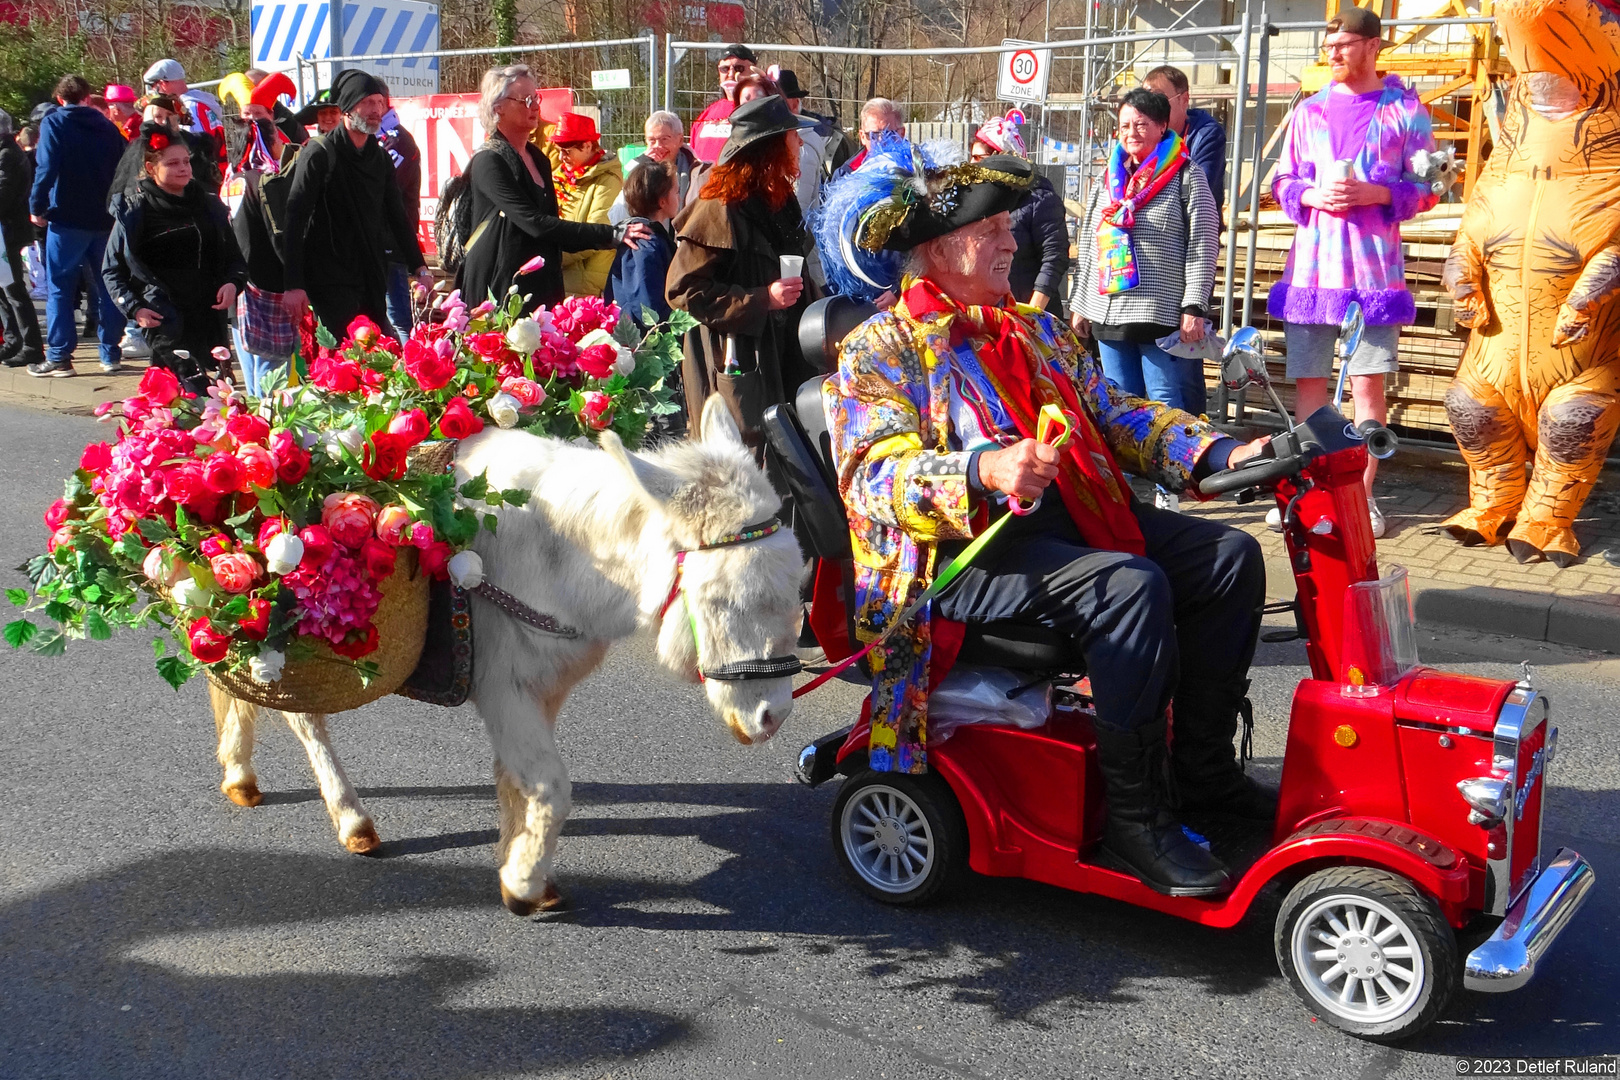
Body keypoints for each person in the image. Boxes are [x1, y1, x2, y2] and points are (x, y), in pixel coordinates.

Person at [816, 139, 1273, 897]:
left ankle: (1204, 776)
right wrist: (981, 468)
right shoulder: (878, 348)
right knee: (1128, 589)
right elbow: (871, 479)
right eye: (993, 229)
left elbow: (1115, 414)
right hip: (954, 561)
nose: (1010, 240)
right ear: (936, 249)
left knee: (1228, 559)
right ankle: (1136, 820)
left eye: (1008, 226)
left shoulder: (1031, 328)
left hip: (1061, 523)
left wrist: (1221, 453)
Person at [1268, 7, 1437, 538]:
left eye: (1343, 43)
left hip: (1373, 276)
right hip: (1313, 274)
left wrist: (1380, 193)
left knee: (1367, 387)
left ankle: (1360, 501)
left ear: (1372, 46)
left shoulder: (1406, 112)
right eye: (1328, 43)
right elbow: (1283, 182)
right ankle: (1310, 495)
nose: (1333, 53)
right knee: (1310, 387)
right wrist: (1309, 194)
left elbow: (1430, 185)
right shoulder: (1309, 113)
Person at [1070, 87, 1220, 515]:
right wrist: (1081, 302)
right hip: (1109, 311)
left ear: (1160, 127)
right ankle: (1127, 493)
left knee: (1163, 404)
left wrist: (1194, 305)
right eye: (1123, 126)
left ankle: (1168, 488)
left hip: (1160, 310)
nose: (1131, 132)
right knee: (1118, 404)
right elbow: (1089, 241)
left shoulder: (1185, 176)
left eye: (1140, 125)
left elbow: (1203, 243)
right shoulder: (1108, 179)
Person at [667, 94, 819, 468]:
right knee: (744, 457)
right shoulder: (717, 205)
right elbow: (683, 291)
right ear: (770, 149)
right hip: (735, 354)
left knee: (790, 450)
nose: (799, 143)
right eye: (792, 137)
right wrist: (761, 298)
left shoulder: (778, 198)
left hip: (782, 348)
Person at [458, 65, 650, 310]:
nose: (535, 106)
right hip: (500, 287)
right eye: (525, 100)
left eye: (536, 98)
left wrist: (613, 236)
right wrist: (609, 234)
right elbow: (533, 223)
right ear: (498, 109)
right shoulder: (488, 161)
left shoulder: (539, 158)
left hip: (542, 283)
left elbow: (553, 230)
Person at [280, 69, 430, 338]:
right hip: (331, 278)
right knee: (345, 361)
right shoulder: (319, 153)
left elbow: (397, 216)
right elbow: (295, 217)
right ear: (348, 108)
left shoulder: (380, 158)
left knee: (378, 358)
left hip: (371, 275)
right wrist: (293, 284)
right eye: (368, 103)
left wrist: (419, 266)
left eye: (379, 103)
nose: (376, 110)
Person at [103, 123, 247, 393]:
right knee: (186, 394)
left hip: (208, 317)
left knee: (217, 399)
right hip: (165, 320)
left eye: (186, 161)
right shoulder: (135, 212)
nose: (183, 168)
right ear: (150, 169)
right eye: (172, 163)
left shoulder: (208, 205)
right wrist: (135, 308)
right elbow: (112, 270)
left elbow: (234, 259)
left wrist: (232, 283)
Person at [26, 74, 129, 377]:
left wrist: (37, 205)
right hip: (104, 216)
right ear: (87, 97)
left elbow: (46, 166)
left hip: (67, 215)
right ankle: (110, 353)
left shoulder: (54, 122)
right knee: (108, 284)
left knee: (60, 286)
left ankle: (60, 356)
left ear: (60, 99)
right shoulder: (108, 127)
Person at [970, 116, 1068, 314]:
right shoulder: (977, 200)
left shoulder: (1040, 199)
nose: (971, 164)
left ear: (1001, 157)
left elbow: (1054, 257)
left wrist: (1032, 310)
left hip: (1030, 313)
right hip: (989, 312)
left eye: (978, 158)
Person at [551, 112, 621, 298]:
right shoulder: (558, 177)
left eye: (567, 151)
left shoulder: (608, 181)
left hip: (586, 285)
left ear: (588, 146)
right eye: (558, 149)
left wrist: (553, 258)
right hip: (560, 277)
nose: (560, 157)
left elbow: (597, 233)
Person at [603, 160, 677, 326]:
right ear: (662, 201)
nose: (679, 197)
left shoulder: (650, 238)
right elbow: (647, 310)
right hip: (646, 342)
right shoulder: (644, 243)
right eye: (676, 192)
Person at [1142, 65, 1226, 208]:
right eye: (1146, 100)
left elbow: (1200, 190)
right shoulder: (1142, 132)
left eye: (1159, 98)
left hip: (1193, 221)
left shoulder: (1205, 134)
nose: (1152, 107)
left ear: (1184, 100)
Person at [0, 107, 44, 367]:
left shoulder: (7, 155)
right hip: (6, 229)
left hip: (8, 231)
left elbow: (4, 194)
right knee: (4, 290)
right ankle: (13, 339)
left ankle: (31, 345)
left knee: (14, 289)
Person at [379, 94, 423, 336]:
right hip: (372, 241)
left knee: (398, 318)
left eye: (375, 103)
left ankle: (411, 369)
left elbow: (382, 189)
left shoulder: (398, 140)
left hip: (393, 240)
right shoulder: (372, 137)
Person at [609, 111, 699, 225]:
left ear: (680, 140)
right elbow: (618, 214)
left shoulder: (697, 170)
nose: (658, 146)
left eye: (664, 139)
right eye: (652, 140)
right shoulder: (635, 169)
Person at [690, 44, 758, 164]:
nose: (731, 74)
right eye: (725, 69)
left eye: (739, 68)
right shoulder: (706, 115)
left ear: (753, 71)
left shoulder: (760, 111)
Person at [143, 58, 224, 150]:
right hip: (217, 162)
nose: (153, 90)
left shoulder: (189, 107)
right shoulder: (201, 102)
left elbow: (194, 146)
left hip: (205, 163)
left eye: (153, 85)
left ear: (162, 84)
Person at [829, 98, 904, 184]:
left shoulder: (918, 167)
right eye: (873, 135)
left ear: (901, 133)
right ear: (862, 137)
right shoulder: (847, 174)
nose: (881, 141)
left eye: (888, 133)